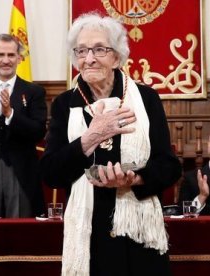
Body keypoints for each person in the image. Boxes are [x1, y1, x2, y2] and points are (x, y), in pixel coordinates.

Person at [39, 13, 182, 276]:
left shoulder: (147, 99)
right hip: (89, 232)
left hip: (138, 233)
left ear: (117, 57)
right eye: (81, 50)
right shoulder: (65, 105)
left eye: (99, 49)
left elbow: (169, 167)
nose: (89, 58)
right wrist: (90, 137)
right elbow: (51, 173)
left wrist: (134, 179)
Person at [0, 34, 47, 217]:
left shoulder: (34, 92)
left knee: (22, 237)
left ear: (19, 58)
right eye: (0, 55)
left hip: (21, 175)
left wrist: (10, 114)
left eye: (11, 55)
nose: (6, 60)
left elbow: (38, 132)